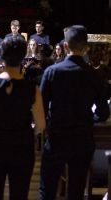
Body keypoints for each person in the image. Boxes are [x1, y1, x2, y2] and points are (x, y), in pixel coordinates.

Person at [39, 25, 110, 200]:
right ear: (86, 47)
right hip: (82, 138)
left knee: (47, 189)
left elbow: (40, 106)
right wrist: (89, 119)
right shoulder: (94, 76)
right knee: (76, 191)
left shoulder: (52, 72)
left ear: (65, 46)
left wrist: (48, 123)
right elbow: (103, 112)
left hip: (57, 137)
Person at [0, 36, 46, 200]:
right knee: (19, 195)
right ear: (22, 57)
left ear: (1, 55)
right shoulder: (32, 88)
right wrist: (26, 133)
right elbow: (41, 125)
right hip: (22, 148)